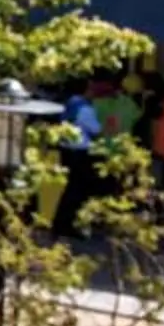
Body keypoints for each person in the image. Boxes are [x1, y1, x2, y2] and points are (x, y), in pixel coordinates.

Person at [48, 84, 103, 238]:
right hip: (80, 151)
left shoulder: (70, 103)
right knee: (77, 190)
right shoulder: (85, 109)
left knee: (70, 188)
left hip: (66, 148)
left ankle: (61, 222)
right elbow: (96, 129)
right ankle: (66, 223)